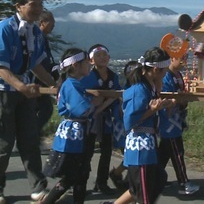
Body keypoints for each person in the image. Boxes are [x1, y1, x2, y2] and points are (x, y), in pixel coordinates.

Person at [0, 0, 56, 203]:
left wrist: (53, 84)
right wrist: (20, 86)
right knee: (4, 144)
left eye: (41, 5)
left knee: (30, 139)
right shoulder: (5, 28)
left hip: (24, 91)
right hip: (4, 90)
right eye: (33, 5)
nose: (37, 9)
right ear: (19, 6)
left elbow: (36, 64)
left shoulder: (35, 32)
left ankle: (37, 186)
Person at [39, 48, 103, 204]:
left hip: (76, 131)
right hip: (74, 134)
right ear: (75, 65)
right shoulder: (72, 85)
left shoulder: (71, 84)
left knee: (81, 172)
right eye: (86, 63)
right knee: (75, 173)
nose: (89, 65)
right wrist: (95, 102)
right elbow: (82, 109)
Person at [121, 47, 175, 204]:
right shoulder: (139, 90)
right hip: (140, 148)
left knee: (157, 178)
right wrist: (152, 109)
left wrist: (161, 106)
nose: (166, 73)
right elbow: (129, 121)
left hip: (147, 145)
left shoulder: (149, 88)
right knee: (144, 195)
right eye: (164, 70)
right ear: (156, 70)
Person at [80, 44, 121, 194]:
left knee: (106, 151)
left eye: (105, 55)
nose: (102, 58)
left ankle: (101, 182)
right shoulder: (87, 77)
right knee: (88, 150)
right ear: (91, 60)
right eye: (98, 55)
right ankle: (81, 182)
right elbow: (84, 96)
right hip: (91, 119)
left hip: (107, 118)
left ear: (109, 58)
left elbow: (116, 95)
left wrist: (104, 103)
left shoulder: (113, 76)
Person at [158, 53, 199, 195]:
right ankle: (183, 182)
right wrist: (180, 99)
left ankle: (154, 178)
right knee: (177, 152)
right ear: (171, 58)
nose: (184, 61)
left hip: (177, 119)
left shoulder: (178, 75)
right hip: (168, 121)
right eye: (181, 58)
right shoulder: (165, 76)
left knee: (163, 153)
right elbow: (167, 97)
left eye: (185, 58)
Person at [108, 60, 139, 192]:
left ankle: (122, 178)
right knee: (131, 157)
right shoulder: (125, 92)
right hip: (124, 130)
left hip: (134, 130)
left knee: (131, 158)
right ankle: (129, 183)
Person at [29, 9, 58, 132]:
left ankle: (33, 134)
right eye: (51, 23)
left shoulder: (43, 38)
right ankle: (32, 134)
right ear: (42, 22)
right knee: (43, 109)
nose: (53, 26)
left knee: (43, 109)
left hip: (44, 79)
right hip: (36, 80)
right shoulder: (37, 37)